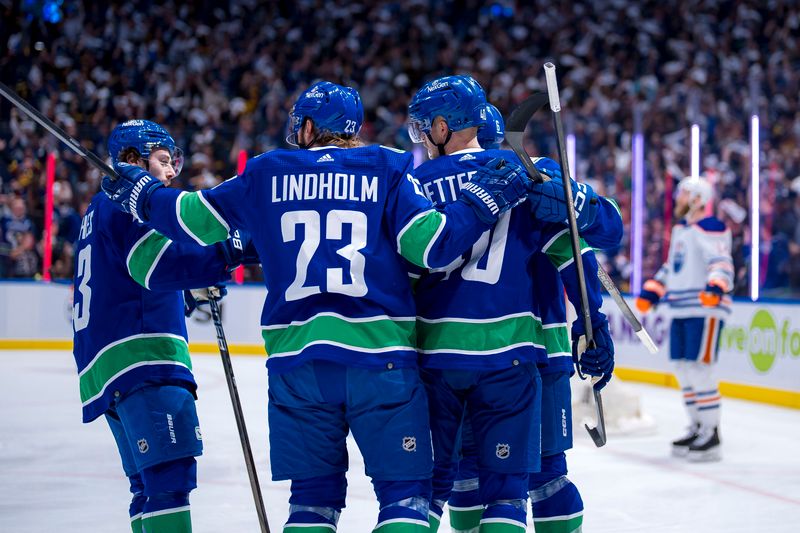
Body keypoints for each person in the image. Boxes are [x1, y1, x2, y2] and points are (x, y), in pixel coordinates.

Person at [100, 81, 535, 533]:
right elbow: (430, 247)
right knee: (407, 497)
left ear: (307, 127)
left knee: (311, 502)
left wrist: (142, 194)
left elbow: (189, 218)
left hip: (297, 366)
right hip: (379, 359)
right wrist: (481, 205)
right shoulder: (387, 166)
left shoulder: (265, 171)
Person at [407, 78, 620, 533]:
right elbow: (582, 251)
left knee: (460, 476)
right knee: (539, 479)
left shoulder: (412, 185)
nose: (421, 139)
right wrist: (592, 322)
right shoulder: (525, 171)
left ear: (444, 128)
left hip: (440, 357)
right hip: (527, 353)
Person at [72, 119, 251, 533]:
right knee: (169, 482)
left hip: (108, 368)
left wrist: (189, 291)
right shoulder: (125, 200)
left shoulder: (96, 209)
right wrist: (231, 251)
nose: (172, 173)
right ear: (132, 162)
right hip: (144, 362)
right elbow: (161, 266)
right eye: (163, 161)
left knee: (147, 487)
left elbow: (126, 279)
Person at [636, 175, 733, 462]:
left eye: (683, 194)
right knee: (683, 369)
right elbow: (673, 267)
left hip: (703, 309)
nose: (677, 199)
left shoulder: (711, 227)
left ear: (698, 199)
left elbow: (721, 261)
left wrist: (716, 285)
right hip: (680, 308)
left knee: (699, 370)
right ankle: (697, 425)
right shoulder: (682, 230)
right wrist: (655, 289)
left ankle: (711, 432)